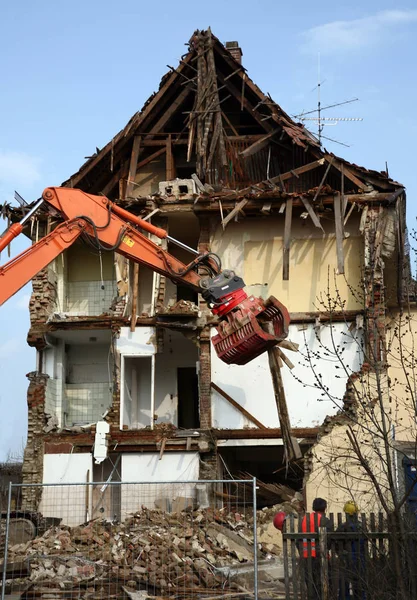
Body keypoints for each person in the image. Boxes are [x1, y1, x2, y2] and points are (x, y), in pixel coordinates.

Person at [300, 497, 333, 600]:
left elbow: (298, 540)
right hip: (320, 557)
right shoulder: (325, 521)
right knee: (323, 586)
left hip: (306, 557)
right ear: (324, 508)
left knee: (311, 587)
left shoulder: (304, 520)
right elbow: (330, 541)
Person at [336, 501, 366, 600]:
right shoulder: (362, 527)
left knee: (344, 588)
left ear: (347, 513)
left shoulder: (342, 527)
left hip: (346, 559)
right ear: (356, 513)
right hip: (360, 558)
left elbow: (336, 543)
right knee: (360, 586)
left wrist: (340, 553)